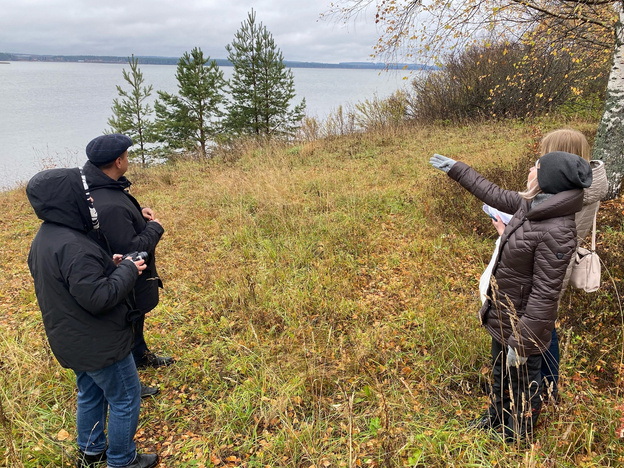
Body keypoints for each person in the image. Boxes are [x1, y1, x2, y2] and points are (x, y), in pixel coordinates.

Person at [430, 150, 592, 441]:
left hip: (522, 327)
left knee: (523, 384)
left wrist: (523, 340)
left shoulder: (557, 229)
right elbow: (491, 192)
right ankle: (496, 418)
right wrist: (457, 168)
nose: (531, 169)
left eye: (537, 167)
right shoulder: (530, 205)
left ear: (548, 180)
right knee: (500, 375)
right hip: (504, 313)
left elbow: (545, 296)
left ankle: (517, 435)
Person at [26, 168, 159, 468]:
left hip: (73, 339)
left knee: (90, 391)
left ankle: (91, 451)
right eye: (82, 194)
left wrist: (106, 264)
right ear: (66, 199)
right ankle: (122, 460)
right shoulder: (73, 246)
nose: (89, 199)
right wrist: (127, 268)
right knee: (126, 397)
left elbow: (72, 282)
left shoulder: (48, 237)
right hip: (100, 343)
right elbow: (99, 298)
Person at [479, 129, 608, 403]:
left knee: (541, 329)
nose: (538, 162)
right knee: (544, 327)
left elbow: (545, 233)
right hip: (549, 263)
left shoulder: (572, 195)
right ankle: (544, 390)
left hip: (546, 268)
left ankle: (541, 392)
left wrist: (508, 232)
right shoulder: (580, 185)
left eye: (543, 156)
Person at [82, 134, 173, 398]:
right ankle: (129, 378)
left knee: (136, 318)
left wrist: (138, 213)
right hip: (122, 278)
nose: (128, 160)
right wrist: (154, 229)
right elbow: (133, 250)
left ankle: (140, 354)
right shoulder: (108, 203)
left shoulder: (103, 188)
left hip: (123, 278)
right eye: (127, 156)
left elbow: (120, 225)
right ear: (119, 161)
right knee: (126, 321)